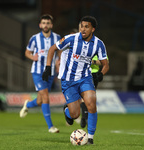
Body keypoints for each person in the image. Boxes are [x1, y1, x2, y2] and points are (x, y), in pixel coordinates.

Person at [42, 16, 109, 144]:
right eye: (81, 26)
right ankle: (67, 111)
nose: (83, 29)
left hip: (85, 78)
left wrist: (101, 74)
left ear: (93, 29)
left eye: (86, 27)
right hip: (69, 80)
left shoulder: (98, 44)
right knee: (75, 115)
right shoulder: (71, 39)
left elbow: (105, 64)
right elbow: (52, 49)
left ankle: (90, 138)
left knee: (91, 103)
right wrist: (48, 68)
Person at [19, 14, 60, 133]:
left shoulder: (57, 37)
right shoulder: (34, 38)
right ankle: (50, 127)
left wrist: (58, 61)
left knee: (40, 100)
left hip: (51, 72)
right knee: (46, 97)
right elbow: (27, 52)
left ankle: (27, 105)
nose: (45, 25)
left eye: (48, 23)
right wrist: (33, 57)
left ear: (51, 25)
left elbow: (61, 51)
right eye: (43, 23)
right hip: (37, 72)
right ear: (40, 25)